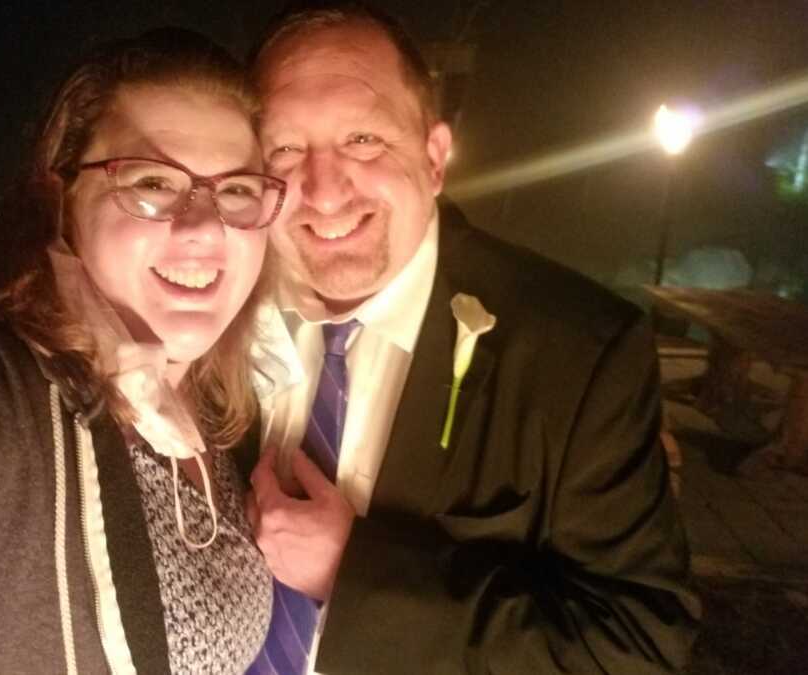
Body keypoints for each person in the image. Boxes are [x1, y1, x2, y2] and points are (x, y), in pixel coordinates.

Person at [241, 4, 701, 674]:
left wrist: (357, 577)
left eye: (364, 140)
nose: (324, 189)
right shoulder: (212, 314)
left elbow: (636, 642)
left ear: (433, 158)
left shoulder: (579, 351)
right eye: (283, 148)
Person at [0, 29, 287, 674]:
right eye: (151, 182)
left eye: (235, 191)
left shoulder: (217, 411)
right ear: (62, 197)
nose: (201, 228)